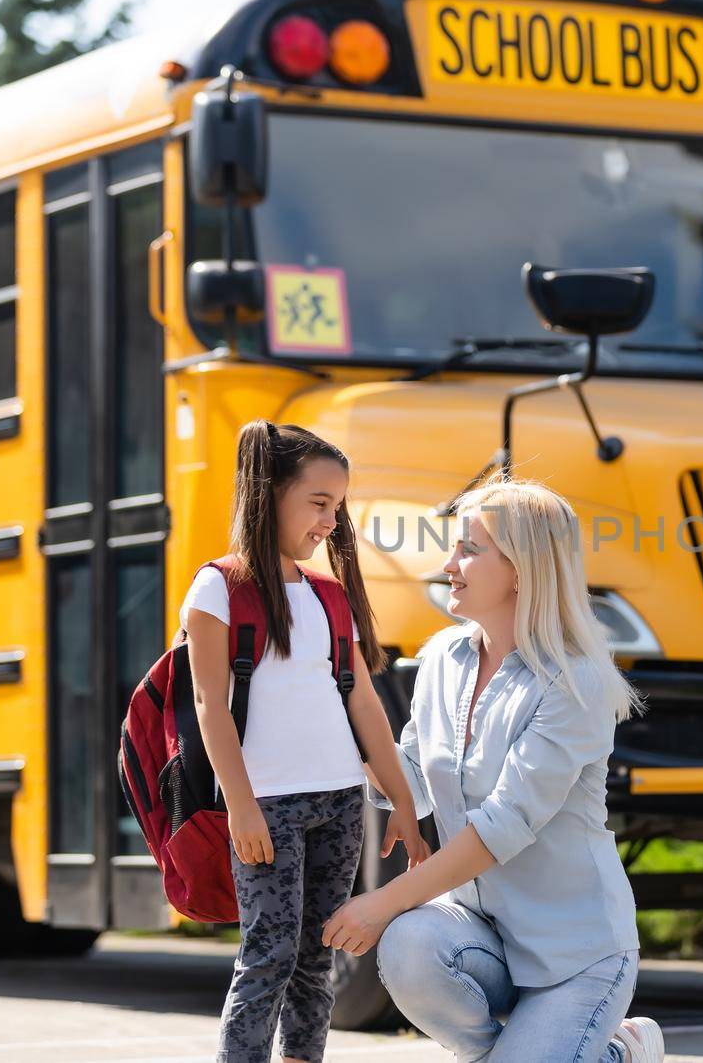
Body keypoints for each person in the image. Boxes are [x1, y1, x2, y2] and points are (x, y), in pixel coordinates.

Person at [320, 478, 666, 1063]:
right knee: (410, 943)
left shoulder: (575, 682)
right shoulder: (440, 662)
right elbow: (411, 779)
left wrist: (382, 902)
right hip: (481, 937)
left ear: (523, 569)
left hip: (576, 956)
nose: (448, 564)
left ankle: (623, 1050)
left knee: (396, 919)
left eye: (469, 550)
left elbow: (501, 828)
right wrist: (324, 732)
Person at [186, 419, 430, 1063]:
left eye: (337, 506)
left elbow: (362, 700)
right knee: (269, 954)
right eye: (318, 503)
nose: (329, 520)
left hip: (341, 800)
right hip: (266, 804)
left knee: (317, 960)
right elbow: (210, 704)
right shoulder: (219, 587)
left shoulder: (328, 595)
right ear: (270, 494)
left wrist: (401, 801)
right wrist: (240, 806)